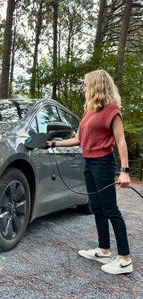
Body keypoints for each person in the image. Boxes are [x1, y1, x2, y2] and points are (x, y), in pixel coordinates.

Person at [46, 69, 133, 275]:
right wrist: (53, 143)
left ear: (95, 85)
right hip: (89, 163)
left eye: (86, 84)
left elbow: (120, 141)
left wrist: (125, 170)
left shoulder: (112, 110)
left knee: (111, 209)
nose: (83, 87)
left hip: (103, 164)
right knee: (97, 208)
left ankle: (125, 258)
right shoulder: (89, 112)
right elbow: (78, 140)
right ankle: (104, 250)